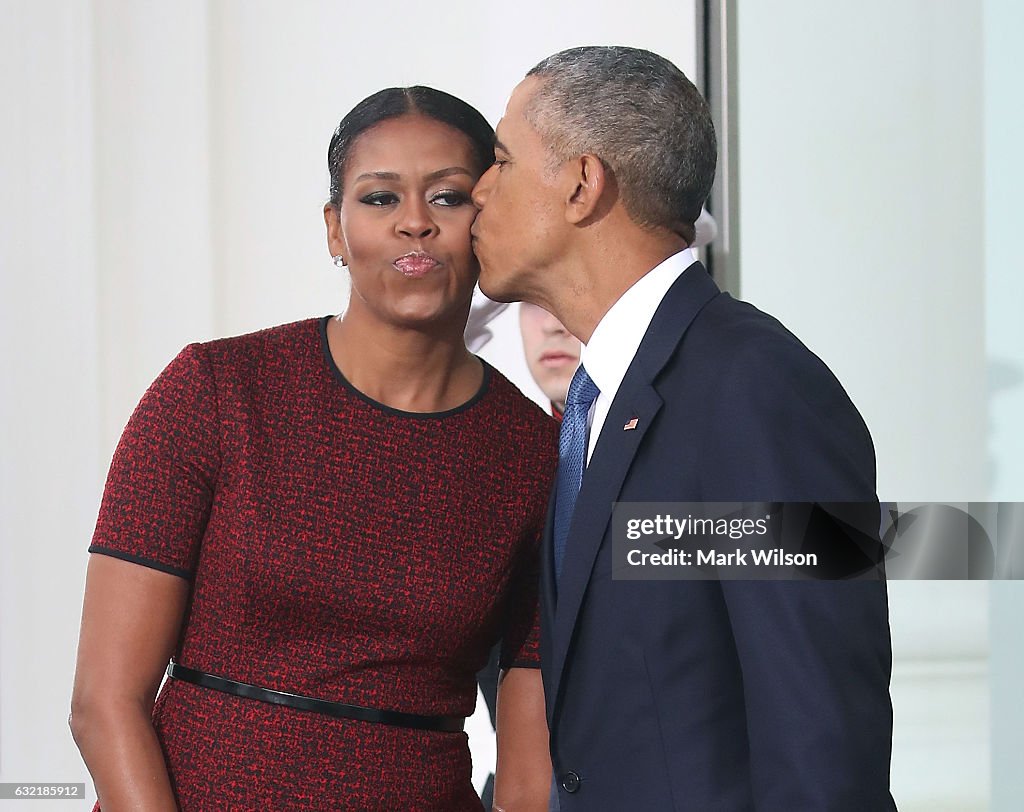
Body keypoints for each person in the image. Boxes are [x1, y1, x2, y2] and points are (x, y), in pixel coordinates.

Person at [70, 86, 556, 811]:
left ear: (489, 222)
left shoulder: (534, 458)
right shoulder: (215, 391)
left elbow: (527, 767)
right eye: (380, 199)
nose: (415, 224)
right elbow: (104, 703)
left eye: (449, 198)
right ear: (335, 229)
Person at [471, 46, 896, 811]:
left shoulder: (761, 390)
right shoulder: (595, 405)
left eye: (501, 161)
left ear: (581, 183)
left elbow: (822, 732)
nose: (478, 191)